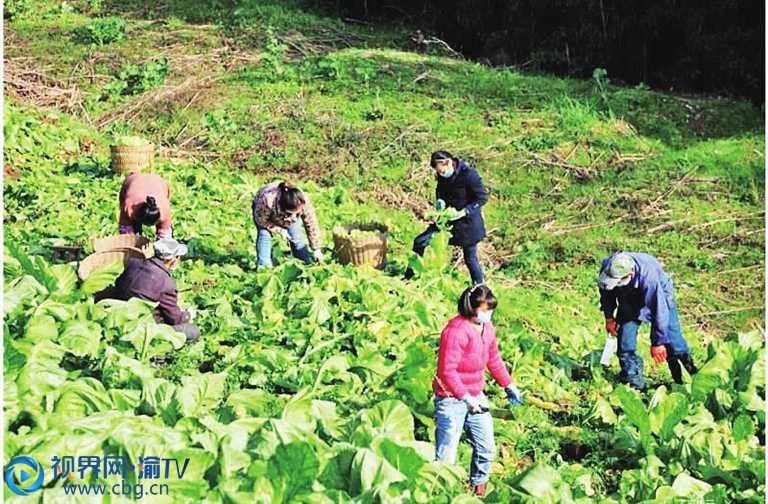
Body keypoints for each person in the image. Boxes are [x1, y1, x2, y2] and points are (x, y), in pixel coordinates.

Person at [432, 284, 522, 496]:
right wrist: (464, 396)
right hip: (451, 398)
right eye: (484, 310)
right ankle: (437, 494)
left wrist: (508, 384)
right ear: (470, 308)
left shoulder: (487, 329)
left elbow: (494, 359)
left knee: (487, 447)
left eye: (490, 310)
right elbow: (447, 371)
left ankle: (477, 489)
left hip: (476, 395)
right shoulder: (455, 332)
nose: (488, 314)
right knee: (446, 455)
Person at [598, 252, 698, 390]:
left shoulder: (649, 278)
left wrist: (658, 342)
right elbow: (606, 294)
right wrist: (609, 317)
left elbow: (659, 310)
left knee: (674, 344)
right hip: (628, 300)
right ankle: (634, 384)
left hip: (661, 298)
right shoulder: (608, 268)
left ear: (630, 274)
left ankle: (687, 380)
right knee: (625, 343)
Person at [95, 238, 199, 343]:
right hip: (141, 327)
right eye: (178, 257)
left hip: (117, 314)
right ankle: (157, 353)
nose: (179, 259)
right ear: (172, 259)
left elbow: (118, 283)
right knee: (193, 331)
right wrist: (187, 315)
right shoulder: (166, 283)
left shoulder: (133, 262)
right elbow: (174, 319)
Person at [410, 150, 489, 284]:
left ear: (448, 163)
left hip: (467, 224)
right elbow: (439, 190)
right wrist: (440, 200)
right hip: (446, 221)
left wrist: (465, 211)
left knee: (470, 258)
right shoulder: (442, 175)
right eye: (438, 172)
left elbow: (482, 198)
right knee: (420, 242)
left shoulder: (469, 175)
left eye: (441, 171)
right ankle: (410, 277)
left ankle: (480, 288)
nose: (441, 174)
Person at [252, 181, 323, 268]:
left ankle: (306, 264)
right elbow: (260, 220)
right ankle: (264, 267)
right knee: (264, 235)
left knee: (296, 237)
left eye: (296, 213)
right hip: (266, 216)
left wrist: (316, 249)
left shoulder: (302, 200)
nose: (292, 217)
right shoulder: (267, 200)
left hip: (285, 209)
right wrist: (279, 230)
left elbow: (311, 223)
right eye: (290, 214)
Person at [118, 173, 173, 239]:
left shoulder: (164, 210)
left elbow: (165, 235)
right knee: (134, 228)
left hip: (159, 182)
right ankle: (137, 229)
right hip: (133, 180)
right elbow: (125, 231)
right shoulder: (129, 207)